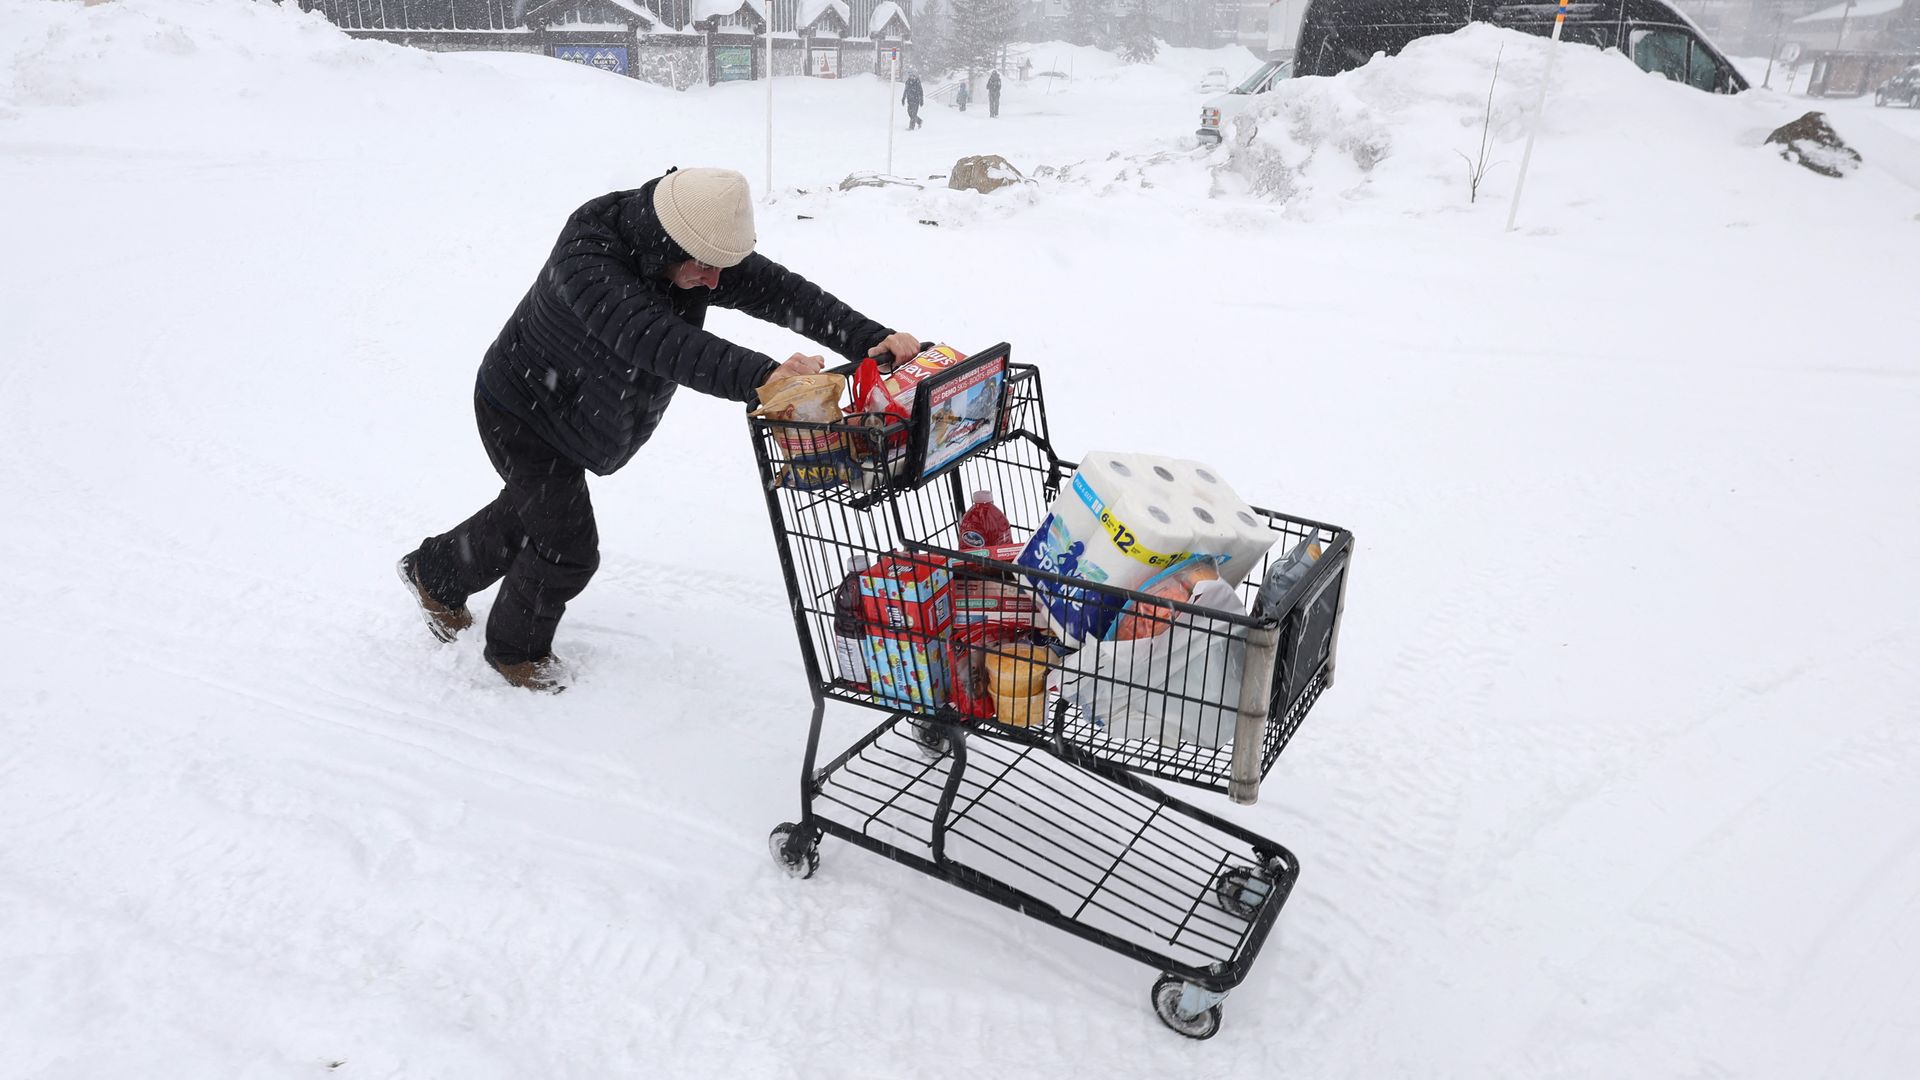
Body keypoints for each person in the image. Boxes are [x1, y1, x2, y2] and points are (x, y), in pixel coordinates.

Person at [398, 168, 922, 693]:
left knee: (536, 509)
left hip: (576, 410)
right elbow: (658, 340)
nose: (716, 282)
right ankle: (515, 651)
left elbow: (780, 292)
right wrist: (766, 377)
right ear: (667, 242)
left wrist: (869, 337)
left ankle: (436, 573)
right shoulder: (589, 257)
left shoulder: (690, 244)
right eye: (707, 268)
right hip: (521, 410)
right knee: (567, 545)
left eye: (723, 268)